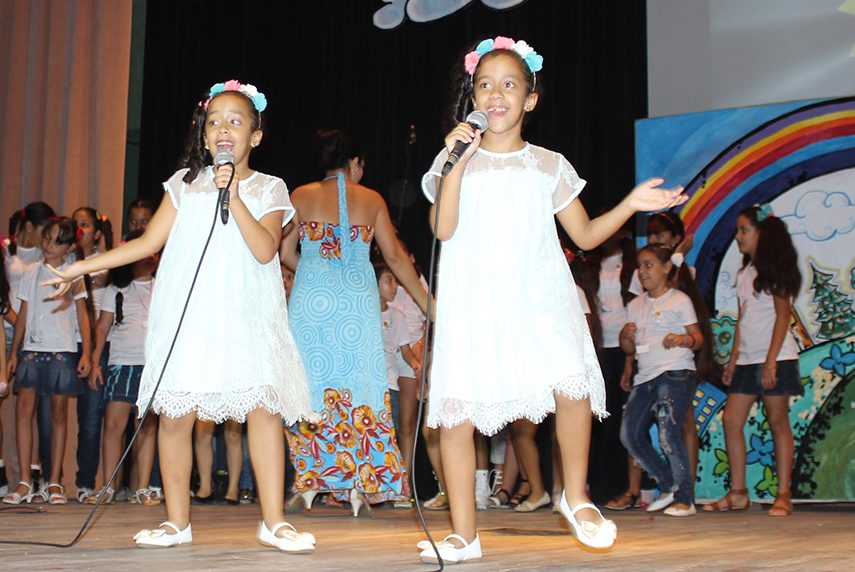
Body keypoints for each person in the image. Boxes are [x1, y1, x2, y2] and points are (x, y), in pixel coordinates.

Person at [418, 36, 686, 563]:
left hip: (538, 294)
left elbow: (585, 236)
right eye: (485, 85)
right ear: (472, 96)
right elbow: (442, 227)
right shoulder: (454, 160)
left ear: (531, 98)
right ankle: (463, 534)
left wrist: (631, 203)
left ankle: (576, 496)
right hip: (474, 300)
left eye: (510, 85)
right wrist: (454, 162)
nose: (496, 95)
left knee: (572, 384)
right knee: (456, 414)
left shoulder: (548, 164)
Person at [45, 80, 316, 552]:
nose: (222, 129)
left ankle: (274, 522)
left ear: (255, 136)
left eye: (235, 121)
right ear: (204, 135)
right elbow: (147, 244)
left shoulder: (270, 188)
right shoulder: (184, 185)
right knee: (174, 416)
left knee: (263, 412)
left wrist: (232, 194)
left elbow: (264, 248)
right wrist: (81, 267)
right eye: (214, 122)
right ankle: (176, 522)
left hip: (246, 317)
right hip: (188, 318)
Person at [282, 128, 428, 517]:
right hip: (357, 301)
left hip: (311, 301)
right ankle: (360, 487)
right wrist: (428, 302)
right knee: (361, 386)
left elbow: (283, 251)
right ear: (355, 163)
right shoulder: (372, 199)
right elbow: (395, 257)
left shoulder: (300, 195)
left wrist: (316, 271)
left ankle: (310, 482)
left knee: (310, 387)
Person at [703, 204, 802, 517]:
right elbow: (743, 320)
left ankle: (784, 494)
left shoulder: (776, 271)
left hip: (776, 358)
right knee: (731, 419)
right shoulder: (745, 272)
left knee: (777, 421)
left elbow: (783, 316)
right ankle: (738, 492)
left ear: (762, 233)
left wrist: (771, 362)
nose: (738, 237)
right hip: (746, 360)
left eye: (744, 230)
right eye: (737, 230)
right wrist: (732, 361)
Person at [618, 244, 716, 517]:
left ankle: (685, 499)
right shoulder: (635, 305)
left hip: (674, 372)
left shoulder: (679, 300)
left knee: (668, 432)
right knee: (629, 435)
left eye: (649, 265)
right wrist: (625, 337)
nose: (642, 271)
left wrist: (682, 339)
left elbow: (698, 339)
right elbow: (629, 349)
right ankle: (669, 484)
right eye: (640, 266)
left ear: (666, 267)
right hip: (645, 375)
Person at [4, 217, 91, 505]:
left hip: (62, 350)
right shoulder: (30, 274)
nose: (48, 245)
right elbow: (23, 316)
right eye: (46, 238)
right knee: (23, 410)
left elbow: (82, 315)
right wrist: (13, 353)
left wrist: (87, 353)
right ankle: (25, 481)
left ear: (69, 246)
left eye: (56, 241)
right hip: (31, 348)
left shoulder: (73, 274)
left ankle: (54, 481)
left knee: (58, 414)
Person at [86, 229, 159, 505]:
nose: (151, 256)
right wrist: (95, 362)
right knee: (114, 425)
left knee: (147, 426)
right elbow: (102, 326)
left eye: (155, 251)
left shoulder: (162, 285)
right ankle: (108, 486)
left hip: (151, 365)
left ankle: (142, 486)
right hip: (120, 363)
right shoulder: (115, 289)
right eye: (146, 250)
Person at [70, 206, 113, 503]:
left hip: (97, 344)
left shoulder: (105, 263)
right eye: (74, 224)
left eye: (84, 225)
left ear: (97, 233)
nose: (78, 230)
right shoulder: (65, 260)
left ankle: (87, 483)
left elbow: (103, 316)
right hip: (64, 342)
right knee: (65, 414)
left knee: (91, 417)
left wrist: (95, 353)